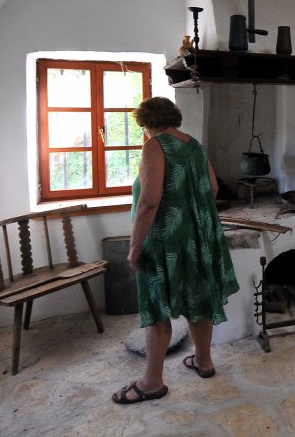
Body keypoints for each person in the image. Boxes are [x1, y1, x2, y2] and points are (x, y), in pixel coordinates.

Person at [112, 96, 240, 404]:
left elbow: (149, 201)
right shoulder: (194, 145)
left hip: (165, 241)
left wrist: (134, 246)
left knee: (157, 307)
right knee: (199, 299)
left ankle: (151, 382)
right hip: (198, 238)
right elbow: (213, 187)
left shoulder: (155, 146)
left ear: (146, 123)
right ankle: (203, 361)